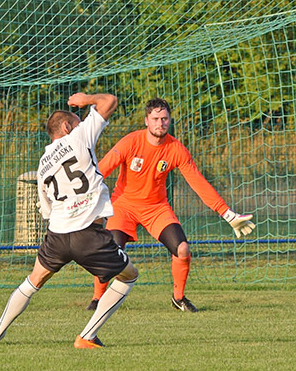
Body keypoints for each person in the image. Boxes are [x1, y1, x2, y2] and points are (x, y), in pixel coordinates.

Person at [0, 92, 138, 349]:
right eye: (78, 120)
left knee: (33, 281)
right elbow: (109, 101)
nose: (82, 124)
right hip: (88, 233)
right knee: (129, 275)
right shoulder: (78, 136)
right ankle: (86, 337)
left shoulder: (43, 165)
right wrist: (86, 99)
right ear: (67, 126)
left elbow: (47, 209)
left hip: (57, 235)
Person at [85, 98, 255, 313]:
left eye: (164, 119)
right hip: (123, 206)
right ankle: (97, 298)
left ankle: (178, 298)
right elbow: (102, 169)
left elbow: (198, 183)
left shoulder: (176, 149)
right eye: (155, 119)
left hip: (156, 209)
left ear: (169, 120)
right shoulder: (131, 142)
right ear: (147, 121)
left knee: (182, 249)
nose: (160, 123)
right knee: (111, 253)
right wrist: (81, 196)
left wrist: (227, 214)